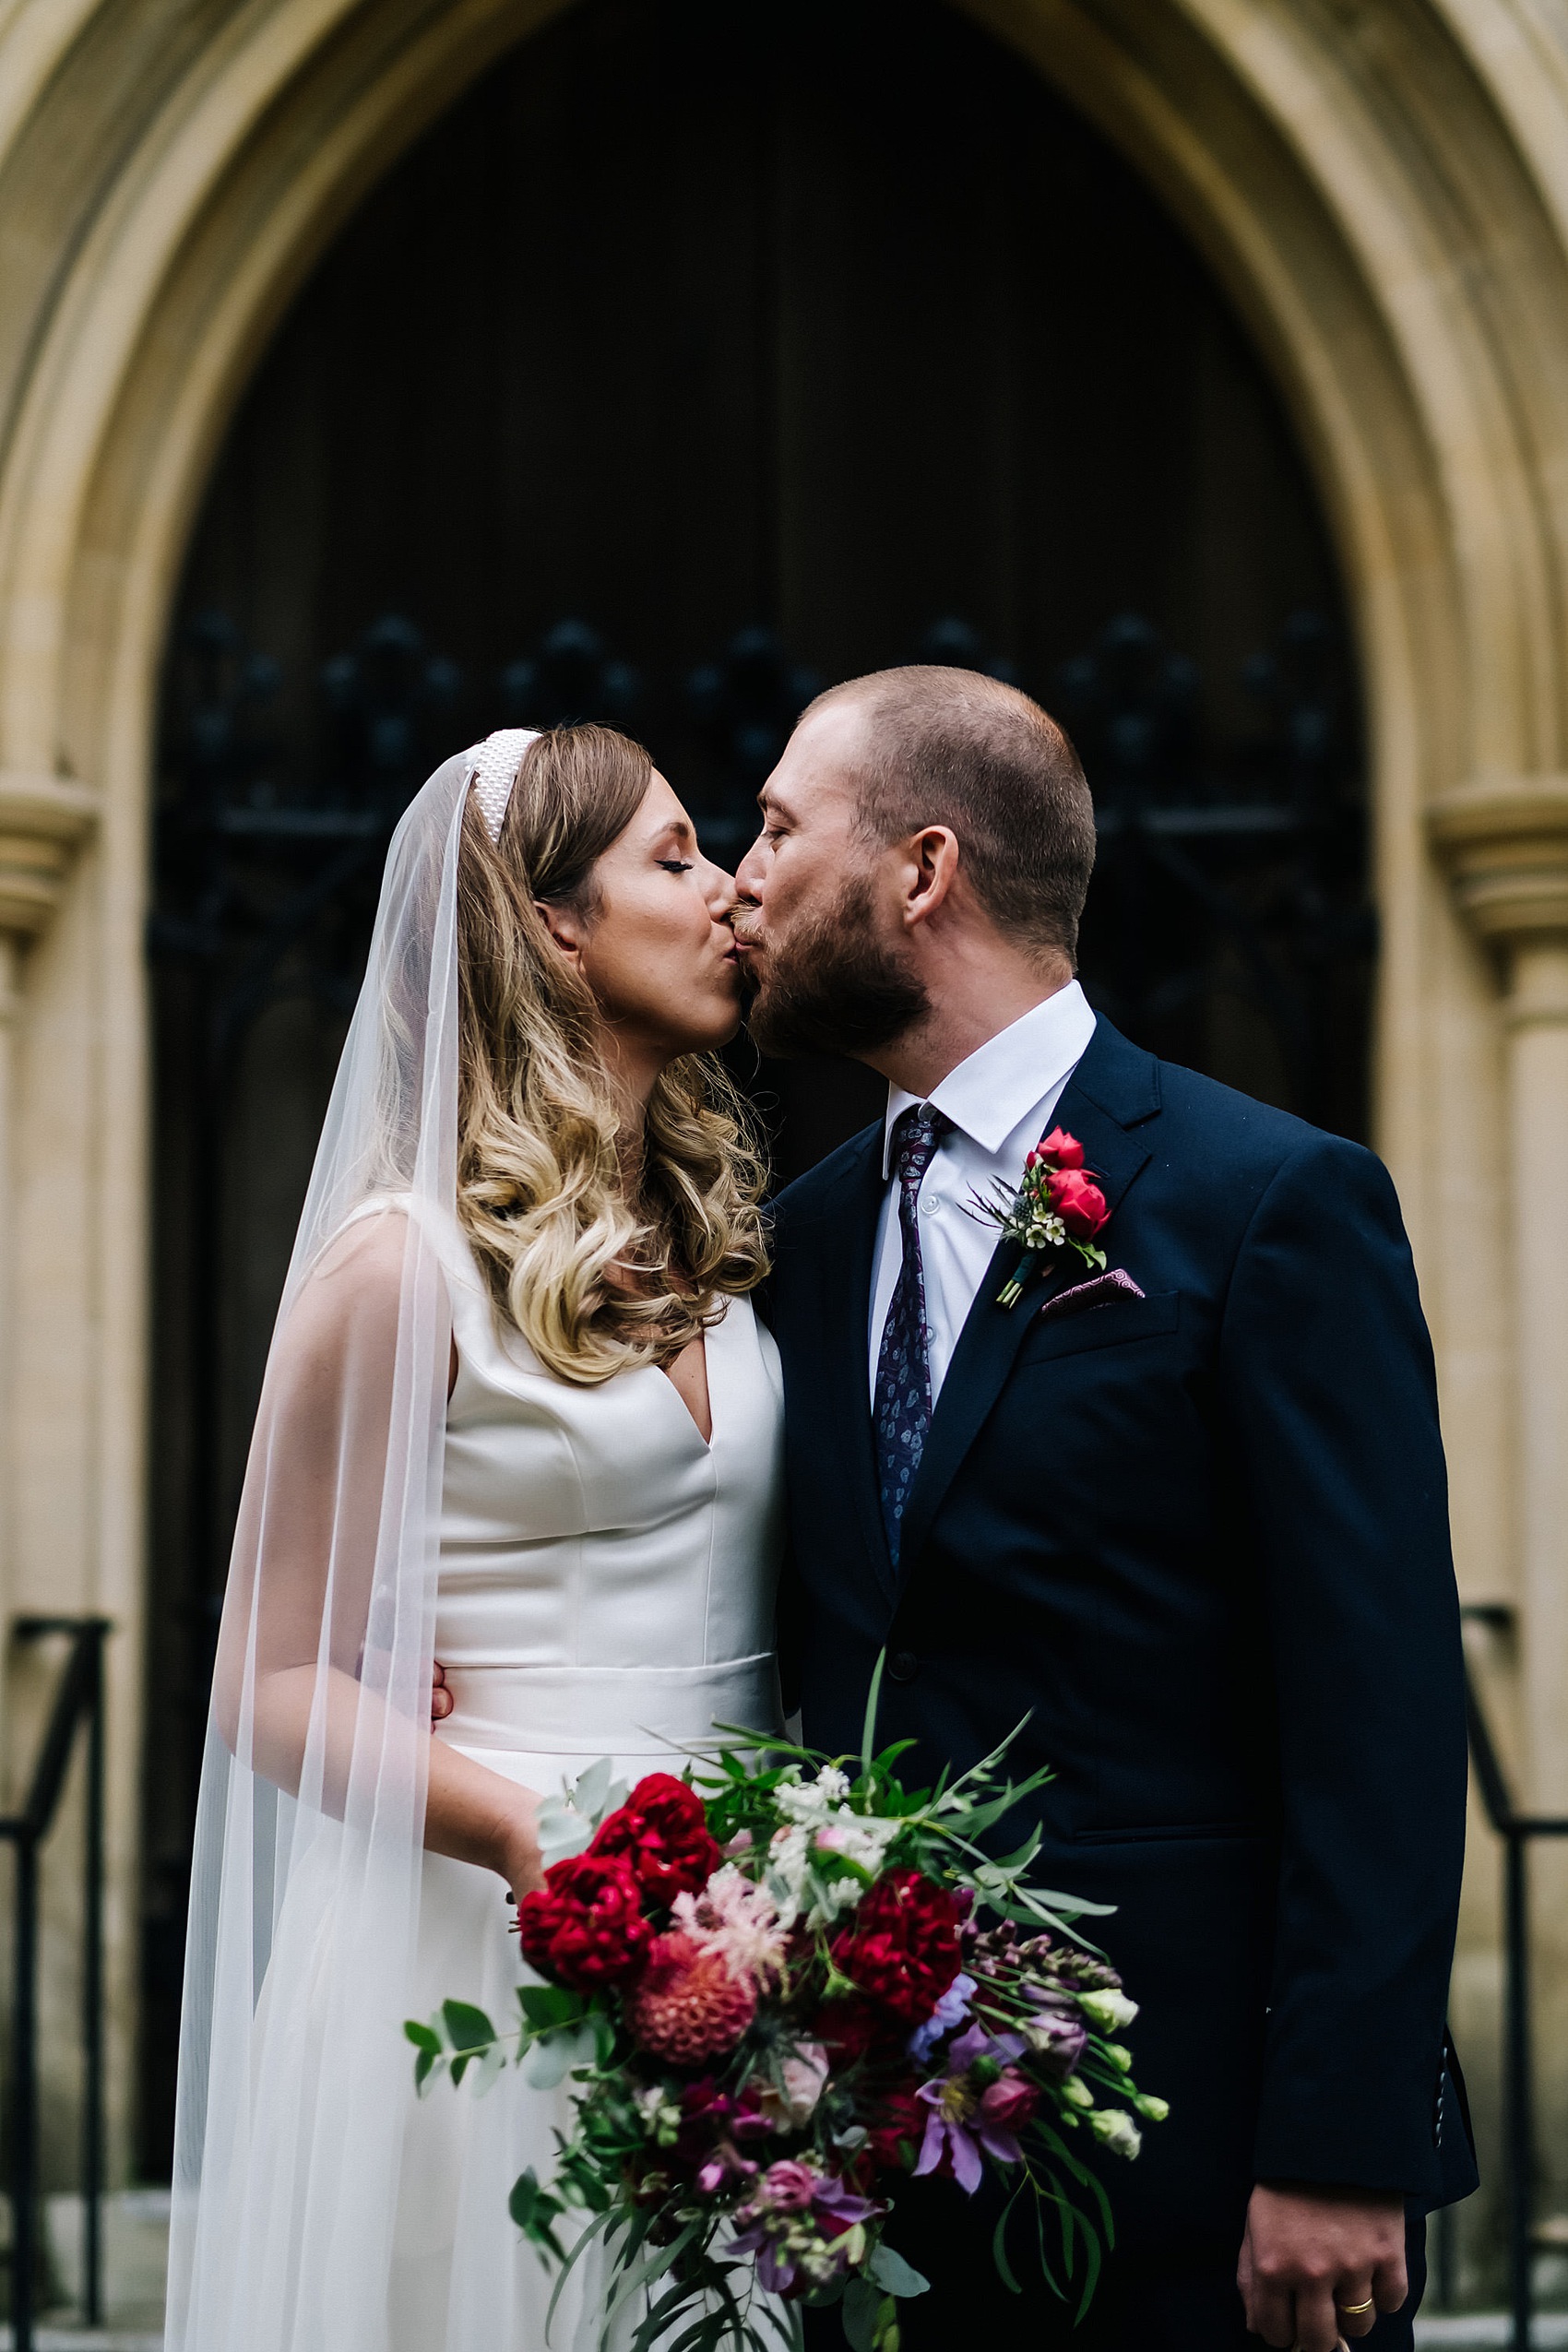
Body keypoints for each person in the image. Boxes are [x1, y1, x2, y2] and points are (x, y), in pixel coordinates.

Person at [731, 665, 1478, 2352]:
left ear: (923, 871)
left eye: (779, 825)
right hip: (883, 2178)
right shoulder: (808, 1236)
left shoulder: (1266, 1200)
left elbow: (1382, 1703)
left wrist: (1343, 2145)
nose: (741, 875)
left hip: (1205, 2163)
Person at [166, 724, 788, 2352]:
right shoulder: (403, 1267)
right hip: (496, 1957)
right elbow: (270, 1676)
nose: (730, 891)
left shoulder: (717, 1237)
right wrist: (538, 1840)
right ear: (550, 922)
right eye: (673, 856)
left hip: (758, 1944)